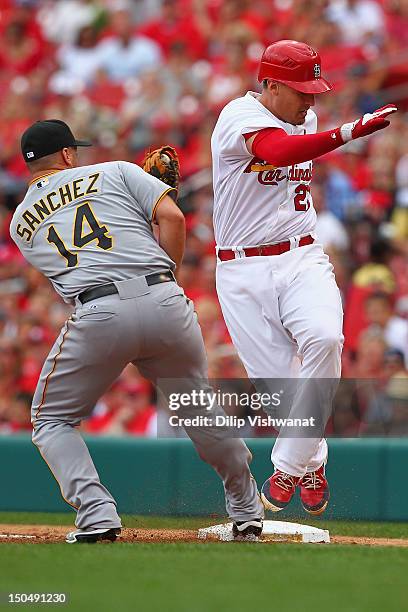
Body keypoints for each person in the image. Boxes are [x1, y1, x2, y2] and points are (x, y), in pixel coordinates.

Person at [10, 119, 263, 543]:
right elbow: (174, 218)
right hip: (164, 300)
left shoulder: (20, 223)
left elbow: (82, 265)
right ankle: (247, 510)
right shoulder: (115, 170)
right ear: (69, 154)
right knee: (196, 405)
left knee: (51, 420)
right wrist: (169, 279)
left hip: (98, 311)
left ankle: (97, 514)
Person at [211, 39, 396, 515]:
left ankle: (287, 467)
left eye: (314, 89)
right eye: (300, 90)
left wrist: (335, 132)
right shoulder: (237, 116)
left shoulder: (303, 117)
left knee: (325, 338)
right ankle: (312, 462)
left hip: (301, 255)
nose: (310, 100)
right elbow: (276, 150)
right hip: (242, 269)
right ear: (270, 84)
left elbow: (290, 145)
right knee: (282, 390)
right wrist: (349, 132)